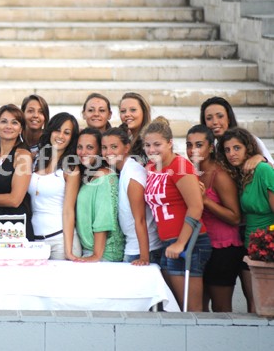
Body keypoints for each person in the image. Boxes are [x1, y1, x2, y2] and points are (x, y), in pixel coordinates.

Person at [143, 117, 211, 311]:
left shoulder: (180, 166)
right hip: (167, 243)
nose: (151, 150)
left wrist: (180, 243)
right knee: (174, 308)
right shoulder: (151, 167)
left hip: (189, 243)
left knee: (190, 309)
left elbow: (196, 207)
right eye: (147, 145)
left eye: (157, 144)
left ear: (170, 143)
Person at [186, 124, 243, 312]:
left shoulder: (220, 175)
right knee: (198, 308)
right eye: (189, 145)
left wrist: (205, 201)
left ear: (211, 147)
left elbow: (235, 217)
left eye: (199, 145)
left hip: (224, 248)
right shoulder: (193, 172)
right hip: (202, 247)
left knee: (221, 308)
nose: (193, 150)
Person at [216, 127, 274, 313]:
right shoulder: (238, 174)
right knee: (254, 304)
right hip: (249, 243)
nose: (231, 154)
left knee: (267, 306)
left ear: (248, 148)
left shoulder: (263, 170)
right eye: (227, 149)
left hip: (268, 244)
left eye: (237, 148)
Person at [102, 125, 163, 266]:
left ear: (126, 148)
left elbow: (140, 219)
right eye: (104, 147)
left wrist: (144, 257)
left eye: (114, 147)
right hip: (134, 246)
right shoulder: (125, 170)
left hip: (143, 250)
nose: (108, 152)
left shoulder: (133, 174)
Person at [0, 104, 35, 241]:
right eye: (4, 121)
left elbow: (15, 200)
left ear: (21, 129)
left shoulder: (23, 156)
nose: (8, 126)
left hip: (12, 227)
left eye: (14, 122)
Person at [28, 112, 81, 259]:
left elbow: (69, 211)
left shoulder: (71, 169)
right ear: (50, 131)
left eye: (67, 132)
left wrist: (68, 250)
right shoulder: (35, 160)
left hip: (60, 241)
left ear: (72, 138)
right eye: (58, 130)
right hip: (35, 242)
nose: (61, 136)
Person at [72, 128, 124, 262]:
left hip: (104, 254)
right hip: (90, 250)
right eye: (80, 147)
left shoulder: (105, 177)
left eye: (89, 147)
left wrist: (96, 255)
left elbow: (103, 218)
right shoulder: (89, 175)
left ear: (99, 151)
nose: (83, 152)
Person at [200, 96, 273, 168]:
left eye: (220, 116)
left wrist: (260, 158)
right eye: (209, 118)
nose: (215, 122)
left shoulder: (249, 139)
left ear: (229, 118)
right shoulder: (208, 148)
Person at [118, 92, 151, 164]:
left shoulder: (150, 140)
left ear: (144, 112)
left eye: (133, 110)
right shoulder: (124, 138)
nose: (127, 114)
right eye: (123, 111)